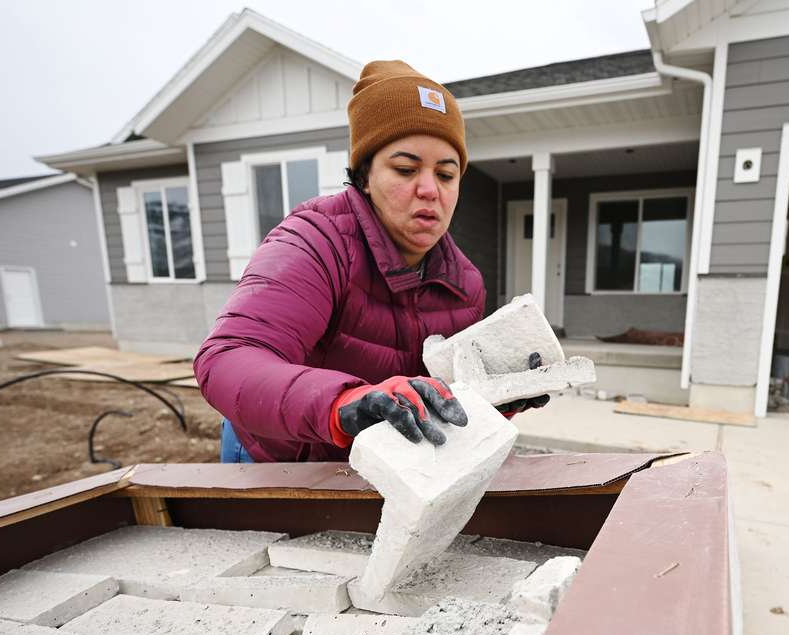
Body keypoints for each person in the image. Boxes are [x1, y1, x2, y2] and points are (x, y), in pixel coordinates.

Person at [194, 60, 546, 463]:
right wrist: (345, 402)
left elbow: (442, 398)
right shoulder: (314, 243)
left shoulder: (464, 283)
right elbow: (226, 360)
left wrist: (497, 399)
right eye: (405, 168)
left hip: (374, 462)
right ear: (364, 176)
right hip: (278, 454)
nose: (430, 190)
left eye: (447, 175)